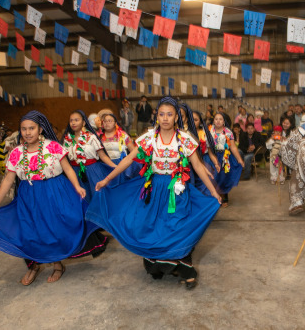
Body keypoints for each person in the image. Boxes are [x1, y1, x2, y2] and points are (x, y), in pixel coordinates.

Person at [87, 96, 221, 290]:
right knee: (153, 226)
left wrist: (213, 193)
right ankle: (158, 266)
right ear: (156, 116)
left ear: (176, 117)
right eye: (161, 114)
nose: (165, 118)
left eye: (170, 114)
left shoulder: (185, 140)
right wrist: (107, 179)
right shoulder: (149, 138)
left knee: (177, 226)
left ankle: (185, 270)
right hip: (154, 189)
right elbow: (128, 160)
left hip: (177, 190)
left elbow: (198, 166)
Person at [0, 111, 108, 286]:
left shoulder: (53, 147)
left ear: (41, 129)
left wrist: (77, 187)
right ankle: (33, 266)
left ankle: (57, 265)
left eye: (32, 128)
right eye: (23, 129)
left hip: (54, 192)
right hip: (29, 196)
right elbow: (8, 179)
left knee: (53, 230)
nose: (27, 132)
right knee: (29, 231)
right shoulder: (17, 153)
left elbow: (67, 169)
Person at [62, 110, 117, 203]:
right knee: (80, 200)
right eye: (71, 120)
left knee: (97, 198)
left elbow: (103, 156)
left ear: (83, 123)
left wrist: (116, 168)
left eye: (76, 120)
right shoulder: (67, 140)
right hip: (75, 173)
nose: (73, 123)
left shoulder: (91, 137)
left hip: (93, 171)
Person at [281, 114, 305, 215]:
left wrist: (283, 146)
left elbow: (287, 148)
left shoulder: (295, 133)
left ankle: (297, 203)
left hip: (301, 165)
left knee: (295, 181)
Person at [208, 113, 245, 206]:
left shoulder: (228, 132)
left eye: (220, 119)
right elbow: (207, 148)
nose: (218, 121)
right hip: (212, 156)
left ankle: (224, 197)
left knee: (224, 177)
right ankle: (215, 197)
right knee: (214, 177)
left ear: (224, 121)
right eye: (216, 119)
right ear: (213, 121)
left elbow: (233, 147)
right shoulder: (209, 131)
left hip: (225, 157)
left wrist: (239, 159)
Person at [99, 110, 141, 184]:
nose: (107, 123)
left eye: (110, 121)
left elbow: (133, 152)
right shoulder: (99, 137)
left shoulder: (123, 135)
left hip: (120, 165)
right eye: (105, 121)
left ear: (115, 123)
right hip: (105, 166)